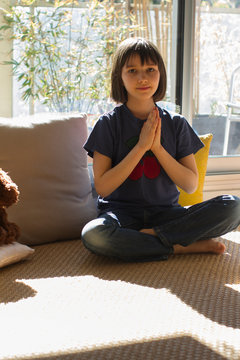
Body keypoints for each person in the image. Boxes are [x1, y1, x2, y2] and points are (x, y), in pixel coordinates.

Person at [81, 37, 240, 262]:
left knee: (234, 206)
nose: (142, 78)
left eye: (150, 69)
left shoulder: (176, 123)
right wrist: (141, 146)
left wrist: (157, 148)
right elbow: (104, 187)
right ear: (120, 77)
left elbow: (189, 183)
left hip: (168, 214)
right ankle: (178, 246)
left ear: (160, 74)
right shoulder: (108, 124)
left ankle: (154, 237)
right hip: (121, 215)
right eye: (133, 71)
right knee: (94, 235)